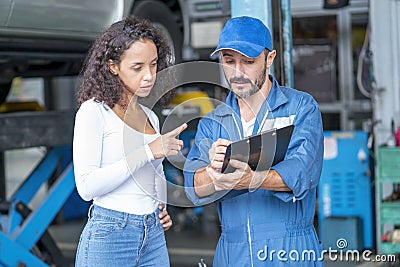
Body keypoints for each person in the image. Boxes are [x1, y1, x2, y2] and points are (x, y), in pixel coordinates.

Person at [183, 16, 324, 266]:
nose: (238, 72)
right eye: (229, 61)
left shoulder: (301, 108)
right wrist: (212, 173)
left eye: (248, 62)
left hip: (289, 250)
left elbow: (303, 172)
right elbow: (193, 186)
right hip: (233, 253)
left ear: (269, 59)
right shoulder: (213, 123)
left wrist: (252, 179)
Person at [73, 15, 187, 266]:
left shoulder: (149, 116)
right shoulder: (94, 112)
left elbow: (153, 174)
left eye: (154, 65)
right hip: (110, 234)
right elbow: (86, 187)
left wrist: (161, 204)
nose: (149, 75)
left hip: (153, 233)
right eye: (138, 67)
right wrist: (147, 151)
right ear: (113, 66)